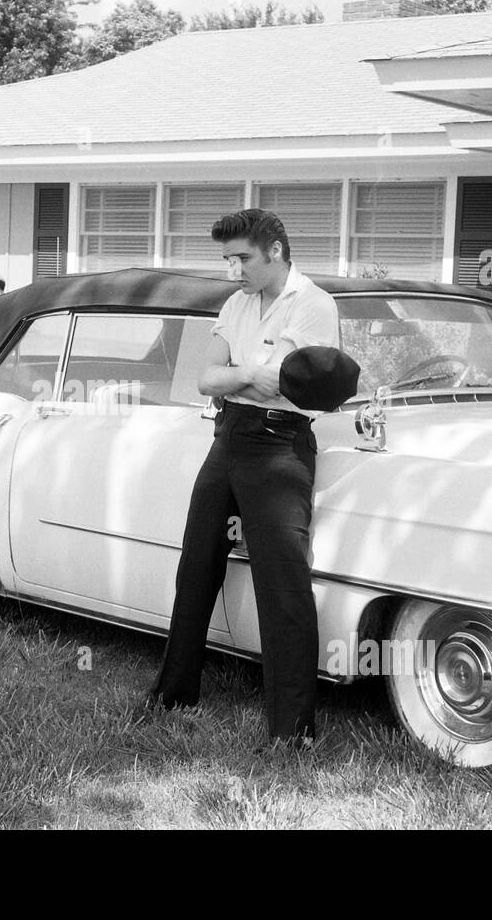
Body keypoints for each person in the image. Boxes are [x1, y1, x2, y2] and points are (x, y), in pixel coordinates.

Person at [149, 207, 342, 749]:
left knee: (281, 586)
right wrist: (248, 376)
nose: (233, 270)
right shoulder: (235, 303)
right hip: (228, 438)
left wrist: (244, 378)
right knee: (197, 566)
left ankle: (291, 729)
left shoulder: (312, 305)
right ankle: (173, 694)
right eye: (227, 259)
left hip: (279, 446)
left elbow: (281, 386)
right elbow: (207, 380)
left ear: (275, 250)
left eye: (243, 258)